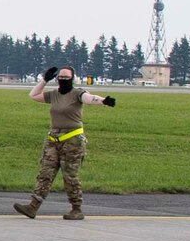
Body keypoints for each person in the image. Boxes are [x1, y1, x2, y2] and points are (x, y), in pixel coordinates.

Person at [14, 66, 116, 220]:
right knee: (45, 174)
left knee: (70, 176)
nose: (63, 79)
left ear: (72, 78)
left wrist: (103, 101)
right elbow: (33, 95)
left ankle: (76, 208)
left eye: (66, 77)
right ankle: (33, 206)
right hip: (53, 139)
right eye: (60, 77)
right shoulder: (54, 94)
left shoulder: (77, 93)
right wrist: (44, 80)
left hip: (72, 140)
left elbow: (89, 98)